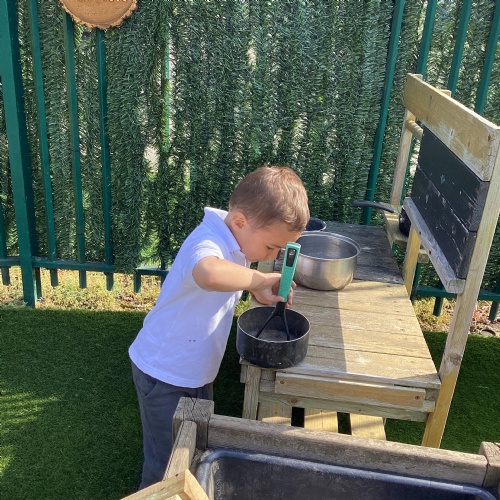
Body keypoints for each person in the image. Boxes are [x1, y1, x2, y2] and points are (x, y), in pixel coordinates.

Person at [129, 165, 310, 489]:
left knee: (194, 447)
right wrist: (257, 279)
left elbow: (224, 281)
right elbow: (210, 274)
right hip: (164, 371)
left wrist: (255, 289)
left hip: (196, 370)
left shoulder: (237, 238)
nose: (273, 255)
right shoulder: (207, 240)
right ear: (240, 221)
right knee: (165, 464)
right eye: (271, 247)